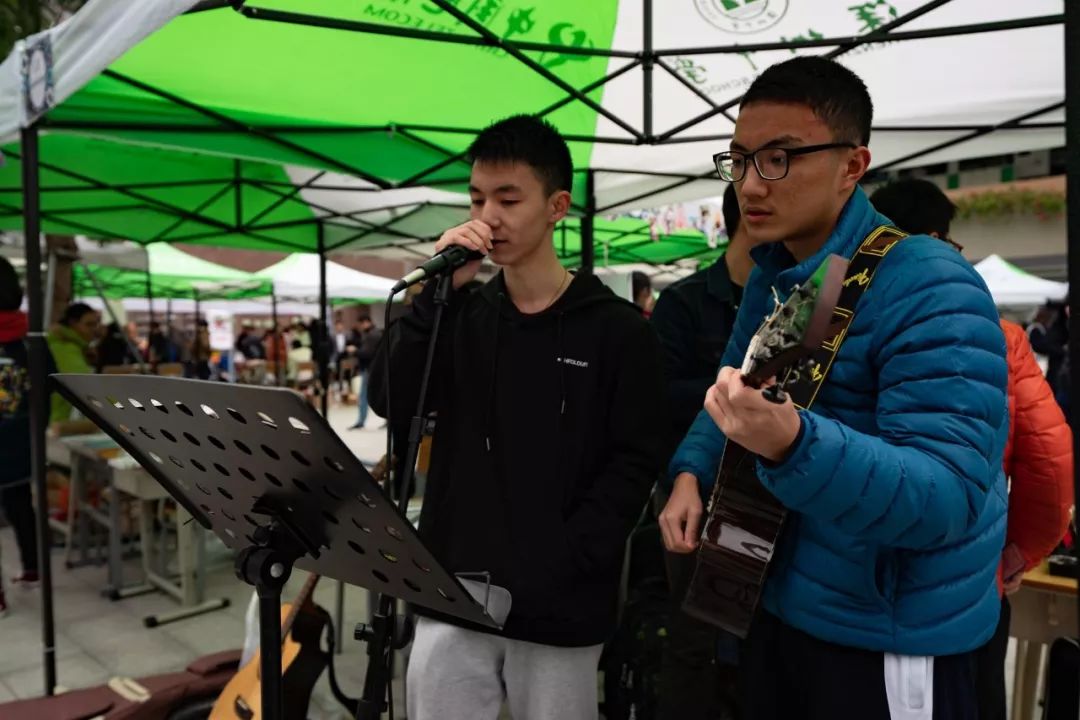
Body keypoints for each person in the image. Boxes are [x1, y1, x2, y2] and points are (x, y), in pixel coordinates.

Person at [660, 56, 1007, 719]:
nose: (751, 185)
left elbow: (948, 497)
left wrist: (795, 443)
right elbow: (733, 386)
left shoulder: (928, 282)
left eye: (780, 159)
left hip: (890, 636)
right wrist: (691, 472)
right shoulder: (786, 272)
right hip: (783, 601)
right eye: (738, 160)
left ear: (852, 166)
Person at [370, 114, 666, 720]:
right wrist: (434, 299)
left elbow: (636, 458)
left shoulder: (615, 331)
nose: (488, 216)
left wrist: (574, 552)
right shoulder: (460, 314)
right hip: (454, 585)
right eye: (478, 198)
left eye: (509, 198)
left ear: (557, 205)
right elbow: (391, 401)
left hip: (561, 601)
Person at [871, 177, 1074, 720]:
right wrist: (1017, 554)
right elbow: (1049, 460)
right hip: (968, 582)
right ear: (937, 240)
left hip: (847, 593)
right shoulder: (999, 336)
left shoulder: (842, 327)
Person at [649, 183, 756, 719]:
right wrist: (737, 391)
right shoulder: (684, 301)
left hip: (767, 496)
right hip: (694, 491)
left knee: (758, 642)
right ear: (749, 217)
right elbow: (659, 397)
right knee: (696, 639)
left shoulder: (791, 296)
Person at [0, 257, 51, 616]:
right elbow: (50, 384)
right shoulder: (31, 335)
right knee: (21, 503)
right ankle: (33, 568)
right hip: (20, 440)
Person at [47, 302, 100, 422]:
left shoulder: (71, 345)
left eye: (95, 324)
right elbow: (85, 383)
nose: (94, 329)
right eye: (89, 324)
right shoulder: (65, 347)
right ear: (72, 323)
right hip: (57, 421)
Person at [349, 317, 382, 430]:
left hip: (369, 369)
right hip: (374, 368)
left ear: (366, 322)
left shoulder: (372, 335)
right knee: (381, 395)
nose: (361, 327)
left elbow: (367, 353)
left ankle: (360, 421)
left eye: (361, 324)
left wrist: (354, 351)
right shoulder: (374, 333)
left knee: (363, 396)